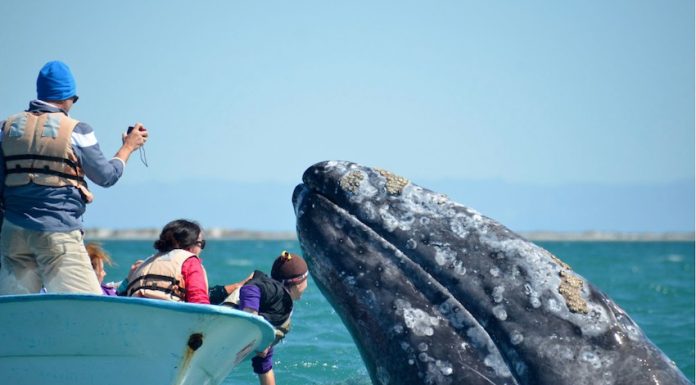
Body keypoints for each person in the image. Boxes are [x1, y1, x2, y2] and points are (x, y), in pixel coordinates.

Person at [0, 60, 148, 295]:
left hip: (13, 232)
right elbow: (106, 176)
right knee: (87, 307)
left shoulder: (6, 128)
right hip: (57, 230)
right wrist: (127, 148)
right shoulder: (77, 130)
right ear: (69, 97)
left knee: (15, 309)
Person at [229, 250, 309, 385]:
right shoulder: (277, 291)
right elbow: (251, 288)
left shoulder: (278, 306)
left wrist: (260, 342)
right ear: (299, 282)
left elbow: (264, 363)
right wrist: (253, 330)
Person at [124, 219, 209, 304]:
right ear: (190, 245)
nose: (201, 249)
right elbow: (199, 300)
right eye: (201, 243)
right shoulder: (190, 262)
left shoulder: (142, 265)